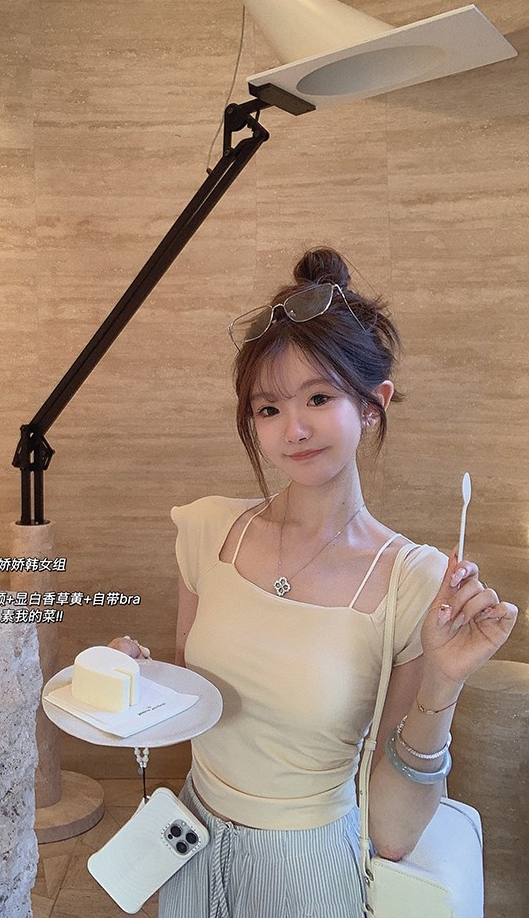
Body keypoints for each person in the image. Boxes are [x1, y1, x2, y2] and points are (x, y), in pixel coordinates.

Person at [111, 247, 517, 918]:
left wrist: (443, 683)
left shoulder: (413, 580)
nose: (292, 430)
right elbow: (194, 703)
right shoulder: (208, 531)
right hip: (189, 842)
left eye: (319, 399)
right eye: (268, 409)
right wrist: (133, 681)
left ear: (373, 404)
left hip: (306, 873)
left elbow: (392, 832)